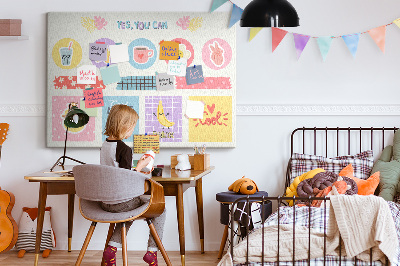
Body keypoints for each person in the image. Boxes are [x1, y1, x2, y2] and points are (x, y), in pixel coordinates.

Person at [100, 104, 166, 266]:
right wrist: (139, 168)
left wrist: (134, 169)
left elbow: (117, 171)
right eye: (132, 127)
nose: (132, 131)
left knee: (129, 210)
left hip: (105, 202)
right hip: (120, 202)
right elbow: (127, 180)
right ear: (124, 126)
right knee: (160, 209)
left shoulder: (105, 145)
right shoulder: (124, 149)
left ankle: (112, 248)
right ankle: (152, 252)